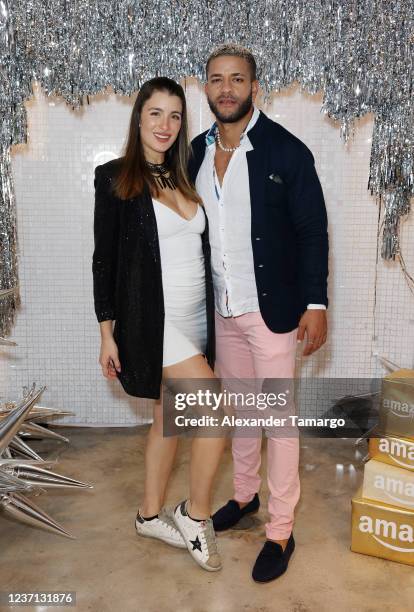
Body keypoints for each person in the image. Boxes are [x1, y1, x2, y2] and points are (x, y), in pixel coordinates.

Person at [188, 45, 329, 582]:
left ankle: (280, 530)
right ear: (206, 88)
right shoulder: (197, 152)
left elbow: (313, 231)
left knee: (277, 421)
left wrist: (315, 303)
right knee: (242, 414)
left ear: (254, 87)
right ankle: (244, 496)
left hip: (272, 313)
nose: (227, 89)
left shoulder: (286, 152)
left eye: (237, 79)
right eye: (217, 80)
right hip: (222, 313)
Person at [92, 77, 226, 572]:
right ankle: (195, 514)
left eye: (174, 116)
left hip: (195, 320)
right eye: (155, 113)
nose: (165, 125)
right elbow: (103, 261)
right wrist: (107, 332)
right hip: (152, 321)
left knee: (168, 418)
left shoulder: (184, 177)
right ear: (138, 118)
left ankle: (149, 515)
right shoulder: (115, 179)